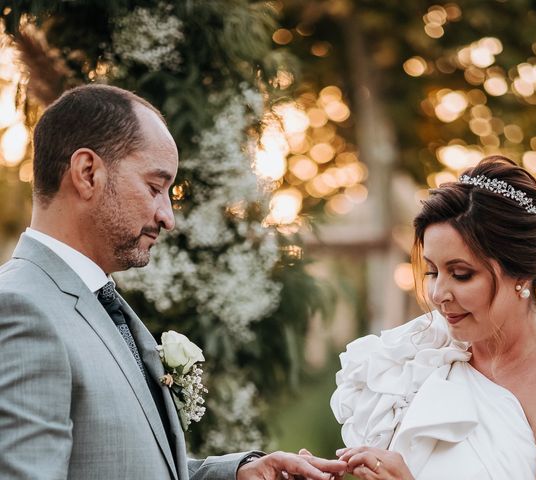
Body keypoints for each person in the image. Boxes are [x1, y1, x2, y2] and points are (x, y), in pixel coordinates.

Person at [0, 84, 346, 480]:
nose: (168, 217)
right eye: (154, 187)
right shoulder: (19, 310)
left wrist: (237, 474)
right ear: (87, 173)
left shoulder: (97, 301)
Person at [331, 156, 536, 479]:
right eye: (433, 271)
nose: (438, 294)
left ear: (521, 273)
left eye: (461, 274)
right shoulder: (420, 357)